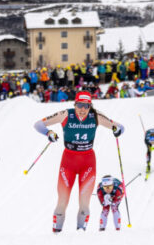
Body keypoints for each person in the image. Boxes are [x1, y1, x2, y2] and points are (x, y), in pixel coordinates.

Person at [34, 92, 125, 233]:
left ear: (90, 106)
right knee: (62, 201)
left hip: (87, 163)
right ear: (75, 104)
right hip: (68, 162)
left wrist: (116, 130)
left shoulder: (95, 116)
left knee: (84, 203)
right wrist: (49, 133)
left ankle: (80, 232)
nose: (82, 109)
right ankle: (56, 232)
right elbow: (38, 124)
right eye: (79, 105)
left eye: (86, 106)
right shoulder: (66, 114)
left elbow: (120, 127)